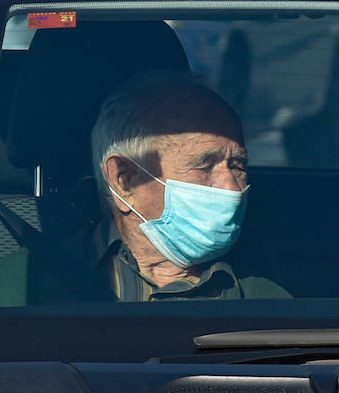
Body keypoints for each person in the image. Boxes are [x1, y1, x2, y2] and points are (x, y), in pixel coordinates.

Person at [85, 75, 288, 300]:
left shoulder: (261, 282)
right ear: (124, 180)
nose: (231, 189)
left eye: (237, 165)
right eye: (205, 165)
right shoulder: (51, 280)